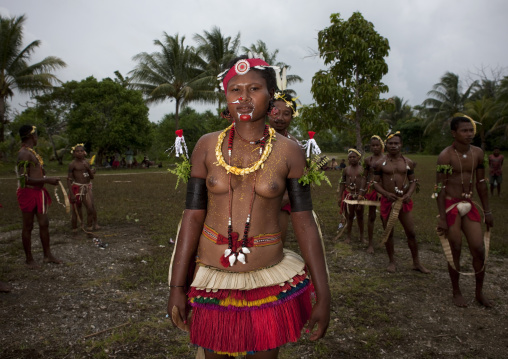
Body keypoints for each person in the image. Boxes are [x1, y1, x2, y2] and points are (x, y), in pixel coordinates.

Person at [167, 56, 330, 358]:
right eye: (234, 90)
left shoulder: (290, 152)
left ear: (270, 95)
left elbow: (305, 222)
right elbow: (191, 216)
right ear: (225, 98)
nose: (243, 98)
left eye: (254, 88)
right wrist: (177, 286)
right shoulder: (205, 145)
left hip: (268, 278)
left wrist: (324, 293)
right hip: (212, 277)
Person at [436, 115, 493, 307]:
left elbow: (481, 184)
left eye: (471, 130)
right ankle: (456, 291)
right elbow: (440, 189)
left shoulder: (478, 153)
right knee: (456, 248)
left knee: (478, 248)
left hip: (469, 204)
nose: (469, 134)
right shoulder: (446, 156)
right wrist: (442, 218)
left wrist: (487, 211)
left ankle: (479, 292)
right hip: (451, 206)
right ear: (454, 133)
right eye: (464, 130)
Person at [372, 132, 429, 274]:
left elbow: (413, 181)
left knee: (411, 232)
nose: (393, 146)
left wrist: (408, 194)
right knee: (389, 233)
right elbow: (374, 183)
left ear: (401, 145)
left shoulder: (408, 162)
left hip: (403, 202)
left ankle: (416, 262)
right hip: (387, 202)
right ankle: (392, 262)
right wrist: (385, 193)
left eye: (396, 143)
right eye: (390, 143)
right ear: (386, 145)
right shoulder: (380, 163)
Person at [16, 125, 62, 268]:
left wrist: (46, 177)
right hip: (28, 193)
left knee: (44, 223)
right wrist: (47, 180)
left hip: (39, 193)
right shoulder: (24, 154)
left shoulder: (31, 152)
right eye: (36, 135)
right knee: (28, 226)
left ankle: (47, 255)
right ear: (31, 136)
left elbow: (35, 173)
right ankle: (29, 259)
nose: (37, 138)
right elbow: (24, 180)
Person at [268, 89, 301, 243]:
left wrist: (282, 200)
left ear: (292, 116)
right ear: (267, 112)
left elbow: (299, 181)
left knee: (276, 243)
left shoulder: (294, 146)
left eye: (286, 113)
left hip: (281, 203)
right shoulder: (251, 140)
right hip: (249, 203)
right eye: (275, 112)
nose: (280, 118)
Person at [67, 144, 100, 232]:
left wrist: (89, 170)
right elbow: (69, 180)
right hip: (77, 188)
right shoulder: (72, 164)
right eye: (77, 151)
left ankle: (90, 226)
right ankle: (75, 227)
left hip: (86, 187)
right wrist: (71, 193)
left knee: (90, 207)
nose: (80, 153)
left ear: (84, 152)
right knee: (76, 209)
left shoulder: (86, 162)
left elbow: (91, 177)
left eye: (81, 151)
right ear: (74, 153)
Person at [361, 135, 385, 254]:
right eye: (373, 145)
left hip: (384, 190)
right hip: (371, 190)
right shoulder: (368, 160)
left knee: (385, 216)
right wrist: (362, 190)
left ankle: (387, 241)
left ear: (381, 146)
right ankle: (370, 243)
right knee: (371, 216)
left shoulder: (387, 158)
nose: (375, 147)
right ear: (370, 147)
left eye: (377, 145)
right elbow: (365, 176)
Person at [337, 149, 365, 245]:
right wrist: (339, 196)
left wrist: (362, 195)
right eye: (350, 157)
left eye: (354, 157)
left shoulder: (363, 169)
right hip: (349, 195)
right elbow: (342, 182)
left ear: (358, 157)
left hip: (359, 196)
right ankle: (348, 236)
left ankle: (361, 236)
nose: (352, 159)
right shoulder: (346, 169)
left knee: (360, 216)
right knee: (349, 216)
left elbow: (366, 183)